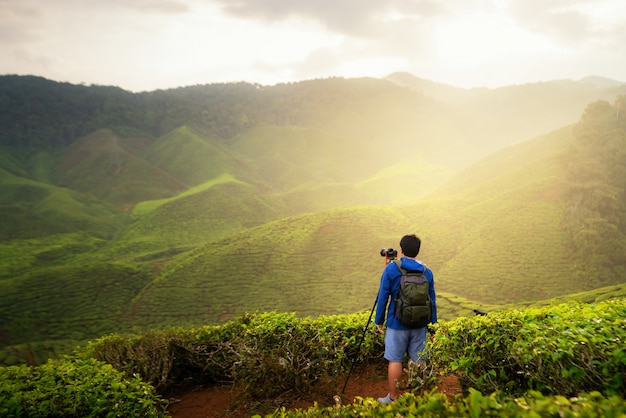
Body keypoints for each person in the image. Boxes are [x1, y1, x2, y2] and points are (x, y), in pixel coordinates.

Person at [375, 234, 437, 404]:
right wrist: (433, 325)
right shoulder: (426, 271)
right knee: (418, 360)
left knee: (395, 360)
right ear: (417, 250)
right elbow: (432, 299)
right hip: (420, 325)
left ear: (401, 250)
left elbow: (383, 296)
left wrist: (379, 320)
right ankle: (417, 398)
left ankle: (393, 398)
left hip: (397, 323)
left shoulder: (392, 269)